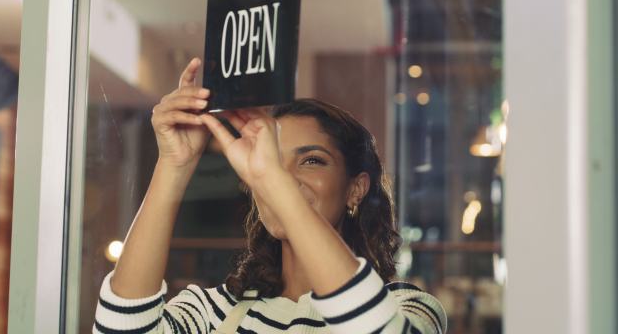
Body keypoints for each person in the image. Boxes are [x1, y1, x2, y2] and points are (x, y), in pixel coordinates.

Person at [93, 58, 447, 333]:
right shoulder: (213, 311)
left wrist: (275, 181)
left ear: (355, 189)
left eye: (311, 160)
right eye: (272, 163)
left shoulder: (410, 307)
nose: (282, 177)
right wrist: (174, 164)